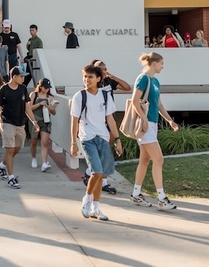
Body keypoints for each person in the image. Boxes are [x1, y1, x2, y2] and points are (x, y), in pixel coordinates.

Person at [70, 65, 121, 221]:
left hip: (103, 138)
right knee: (96, 172)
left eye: (90, 77)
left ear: (99, 79)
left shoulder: (105, 96)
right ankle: (86, 200)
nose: (87, 80)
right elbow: (74, 121)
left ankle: (96, 208)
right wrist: (73, 142)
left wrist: (117, 139)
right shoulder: (80, 96)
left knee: (101, 175)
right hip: (87, 138)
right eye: (85, 76)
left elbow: (110, 119)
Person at [129, 52, 180, 210]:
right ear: (153, 63)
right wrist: (143, 119)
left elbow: (158, 104)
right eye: (161, 63)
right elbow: (134, 101)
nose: (163, 66)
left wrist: (170, 120)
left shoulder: (155, 81)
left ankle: (136, 194)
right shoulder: (143, 78)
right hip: (146, 125)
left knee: (145, 160)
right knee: (158, 159)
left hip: (153, 123)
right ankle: (161, 198)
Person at [88, 59, 131, 194]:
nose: (105, 71)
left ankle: (91, 173)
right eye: (102, 69)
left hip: (109, 117)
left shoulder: (108, 82)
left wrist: (112, 76)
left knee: (107, 146)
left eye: (106, 69)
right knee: (102, 149)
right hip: (97, 120)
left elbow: (127, 87)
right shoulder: (94, 85)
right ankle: (101, 180)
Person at [0, 67, 38, 189]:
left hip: (20, 123)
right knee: (10, 149)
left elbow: (27, 107)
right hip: (6, 122)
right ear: (14, 77)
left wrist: (34, 121)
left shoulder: (23, 89)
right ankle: (11, 177)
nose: (23, 78)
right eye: (21, 76)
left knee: (17, 149)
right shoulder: (3, 90)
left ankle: (2, 165)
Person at [28, 78, 57, 172]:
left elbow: (54, 112)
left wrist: (50, 106)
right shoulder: (34, 95)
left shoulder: (50, 97)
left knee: (45, 142)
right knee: (34, 141)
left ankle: (44, 162)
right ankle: (33, 157)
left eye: (48, 88)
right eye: (45, 87)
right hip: (35, 120)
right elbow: (29, 108)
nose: (47, 89)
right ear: (40, 87)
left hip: (46, 121)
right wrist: (40, 104)